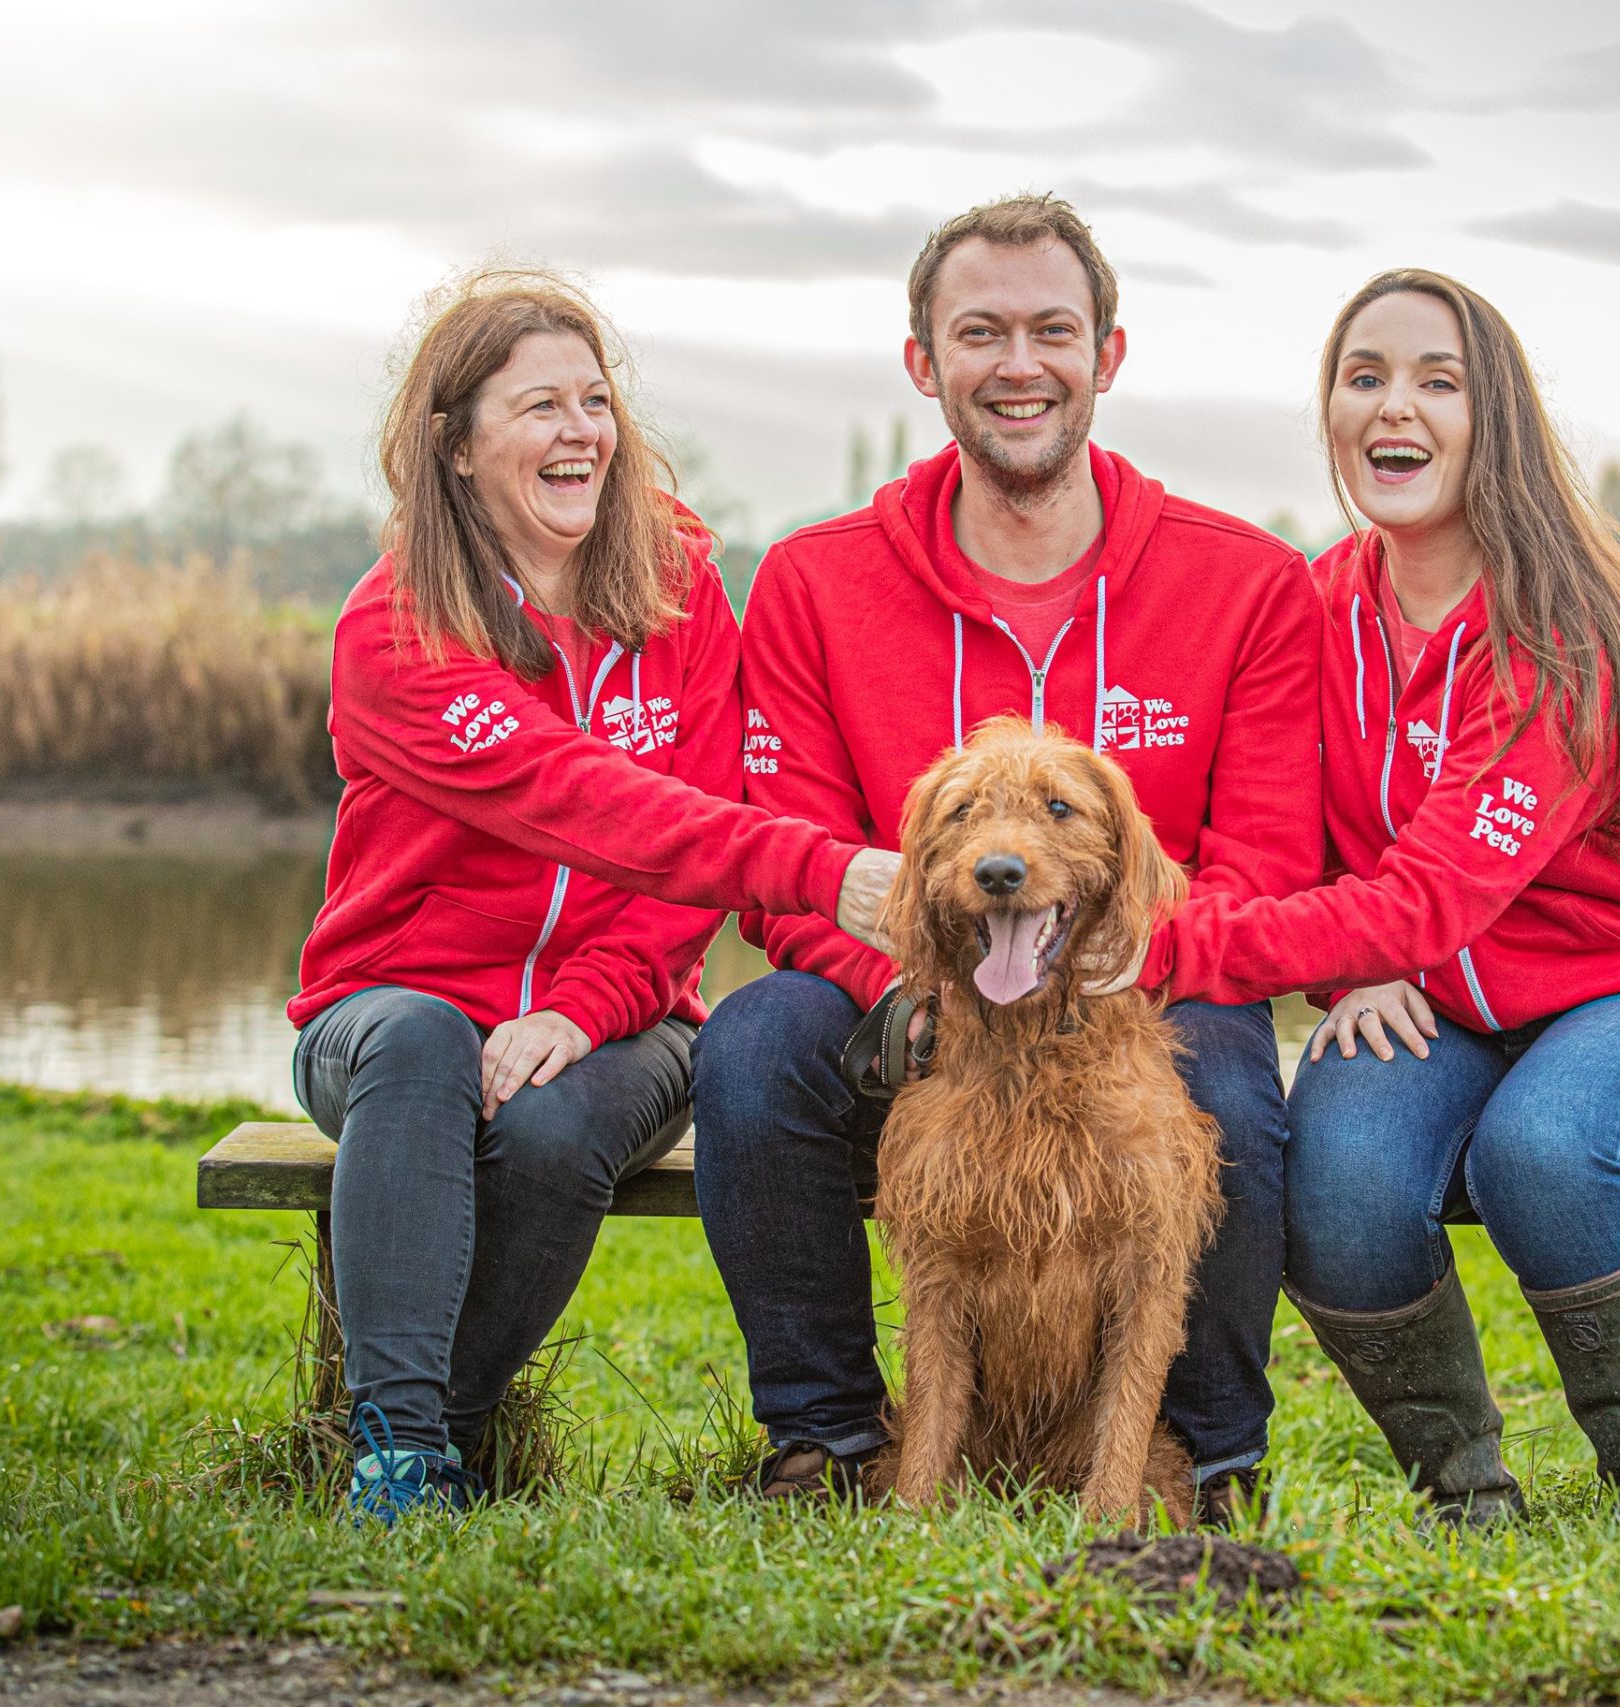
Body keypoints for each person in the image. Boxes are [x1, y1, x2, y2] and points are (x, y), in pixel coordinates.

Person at [690, 194, 1323, 1523]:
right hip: (909, 987)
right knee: (753, 1041)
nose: (1018, 362)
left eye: (1053, 329)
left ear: (1110, 353)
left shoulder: (1247, 580)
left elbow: (1265, 858)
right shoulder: (814, 580)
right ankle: (822, 1441)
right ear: (925, 361)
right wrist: (917, 988)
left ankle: (1202, 1459)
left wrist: (1112, 965)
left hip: (1145, 985)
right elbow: (790, 861)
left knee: (1229, 1076)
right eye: (980, 331)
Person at [1132, 270, 1620, 1525]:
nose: (1396, 408)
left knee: (1542, 1149)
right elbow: (1291, 842)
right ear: (1330, 411)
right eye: (1363, 375)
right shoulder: (1309, 610)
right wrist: (1347, 967)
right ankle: (1467, 1499)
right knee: (1335, 1173)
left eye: (1440, 382)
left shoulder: (1564, 632)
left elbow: (1430, 894)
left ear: (1499, 421)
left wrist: (1160, 949)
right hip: (1442, 1008)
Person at [288, 267, 896, 1523]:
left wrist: (584, 1004)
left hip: (627, 1017)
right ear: (454, 450)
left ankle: (442, 1440)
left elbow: (693, 842)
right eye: (537, 409)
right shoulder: (395, 631)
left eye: (593, 400)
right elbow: (585, 801)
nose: (580, 433)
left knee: (555, 1128)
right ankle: (397, 1458)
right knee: (417, 1046)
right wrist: (826, 872)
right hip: (386, 1010)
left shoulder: (677, 588)